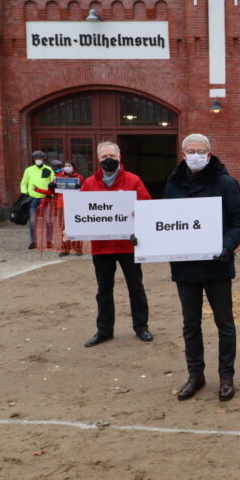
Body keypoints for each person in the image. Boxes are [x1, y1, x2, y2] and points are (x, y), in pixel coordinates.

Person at [162, 134, 240, 403]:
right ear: (183, 153)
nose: (195, 154)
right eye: (190, 150)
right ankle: (195, 375)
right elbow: (164, 221)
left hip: (217, 265)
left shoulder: (225, 183)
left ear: (209, 154)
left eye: (200, 150)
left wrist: (226, 245)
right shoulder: (173, 184)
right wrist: (143, 236)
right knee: (190, 324)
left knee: (224, 323)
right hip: (185, 267)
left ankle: (226, 376)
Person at [80, 141, 153, 347]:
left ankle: (141, 327)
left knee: (136, 287)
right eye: (104, 157)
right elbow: (81, 212)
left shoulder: (133, 180)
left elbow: (147, 206)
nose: (108, 159)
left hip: (129, 245)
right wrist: (74, 231)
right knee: (104, 290)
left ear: (119, 158)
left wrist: (138, 213)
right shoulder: (89, 183)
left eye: (111, 155)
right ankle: (104, 330)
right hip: (101, 247)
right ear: (98, 159)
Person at [38, 161, 86, 256]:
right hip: (62, 205)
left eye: (69, 166)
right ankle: (65, 248)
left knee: (76, 227)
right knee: (63, 228)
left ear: (73, 167)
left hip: (75, 205)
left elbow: (85, 190)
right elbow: (52, 192)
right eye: (65, 166)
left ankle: (78, 248)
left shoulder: (79, 178)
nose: (67, 167)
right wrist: (51, 187)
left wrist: (81, 187)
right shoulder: (58, 178)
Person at [20, 150, 54, 249]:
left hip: (45, 198)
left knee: (48, 220)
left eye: (40, 158)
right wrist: (24, 192)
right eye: (36, 159)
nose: (38, 160)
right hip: (33, 198)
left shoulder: (48, 169)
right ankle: (33, 241)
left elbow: (53, 180)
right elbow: (24, 182)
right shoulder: (29, 170)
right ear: (33, 160)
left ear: (43, 159)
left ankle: (49, 241)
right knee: (32, 221)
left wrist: (52, 189)